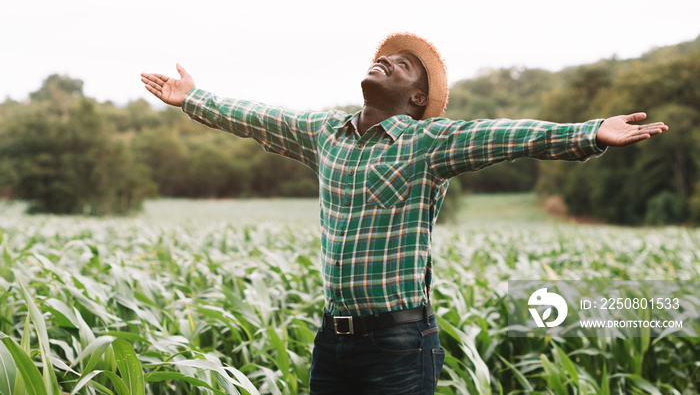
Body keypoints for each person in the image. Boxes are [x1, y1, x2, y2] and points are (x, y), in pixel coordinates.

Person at [141, 32, 668, 394]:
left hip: (398, 346)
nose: (389, 59)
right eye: (386, 55)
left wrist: (589, 131)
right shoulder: (325, 134)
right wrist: (193, 98)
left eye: (405, 63)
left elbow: (502, 133)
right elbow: (256, 117)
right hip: (333, 342)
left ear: (418, 97)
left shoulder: (425, 142)